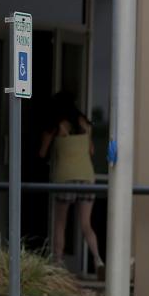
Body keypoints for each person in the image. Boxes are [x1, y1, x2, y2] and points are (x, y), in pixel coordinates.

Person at [38, 91, 104, 273]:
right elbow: (91, 151)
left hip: (65, 177)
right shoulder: (85, 124)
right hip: (87, 176)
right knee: (86, 223)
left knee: (60, 222)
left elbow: (42, 153)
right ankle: (98, 260)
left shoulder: (56, 125)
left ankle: (58, 263)